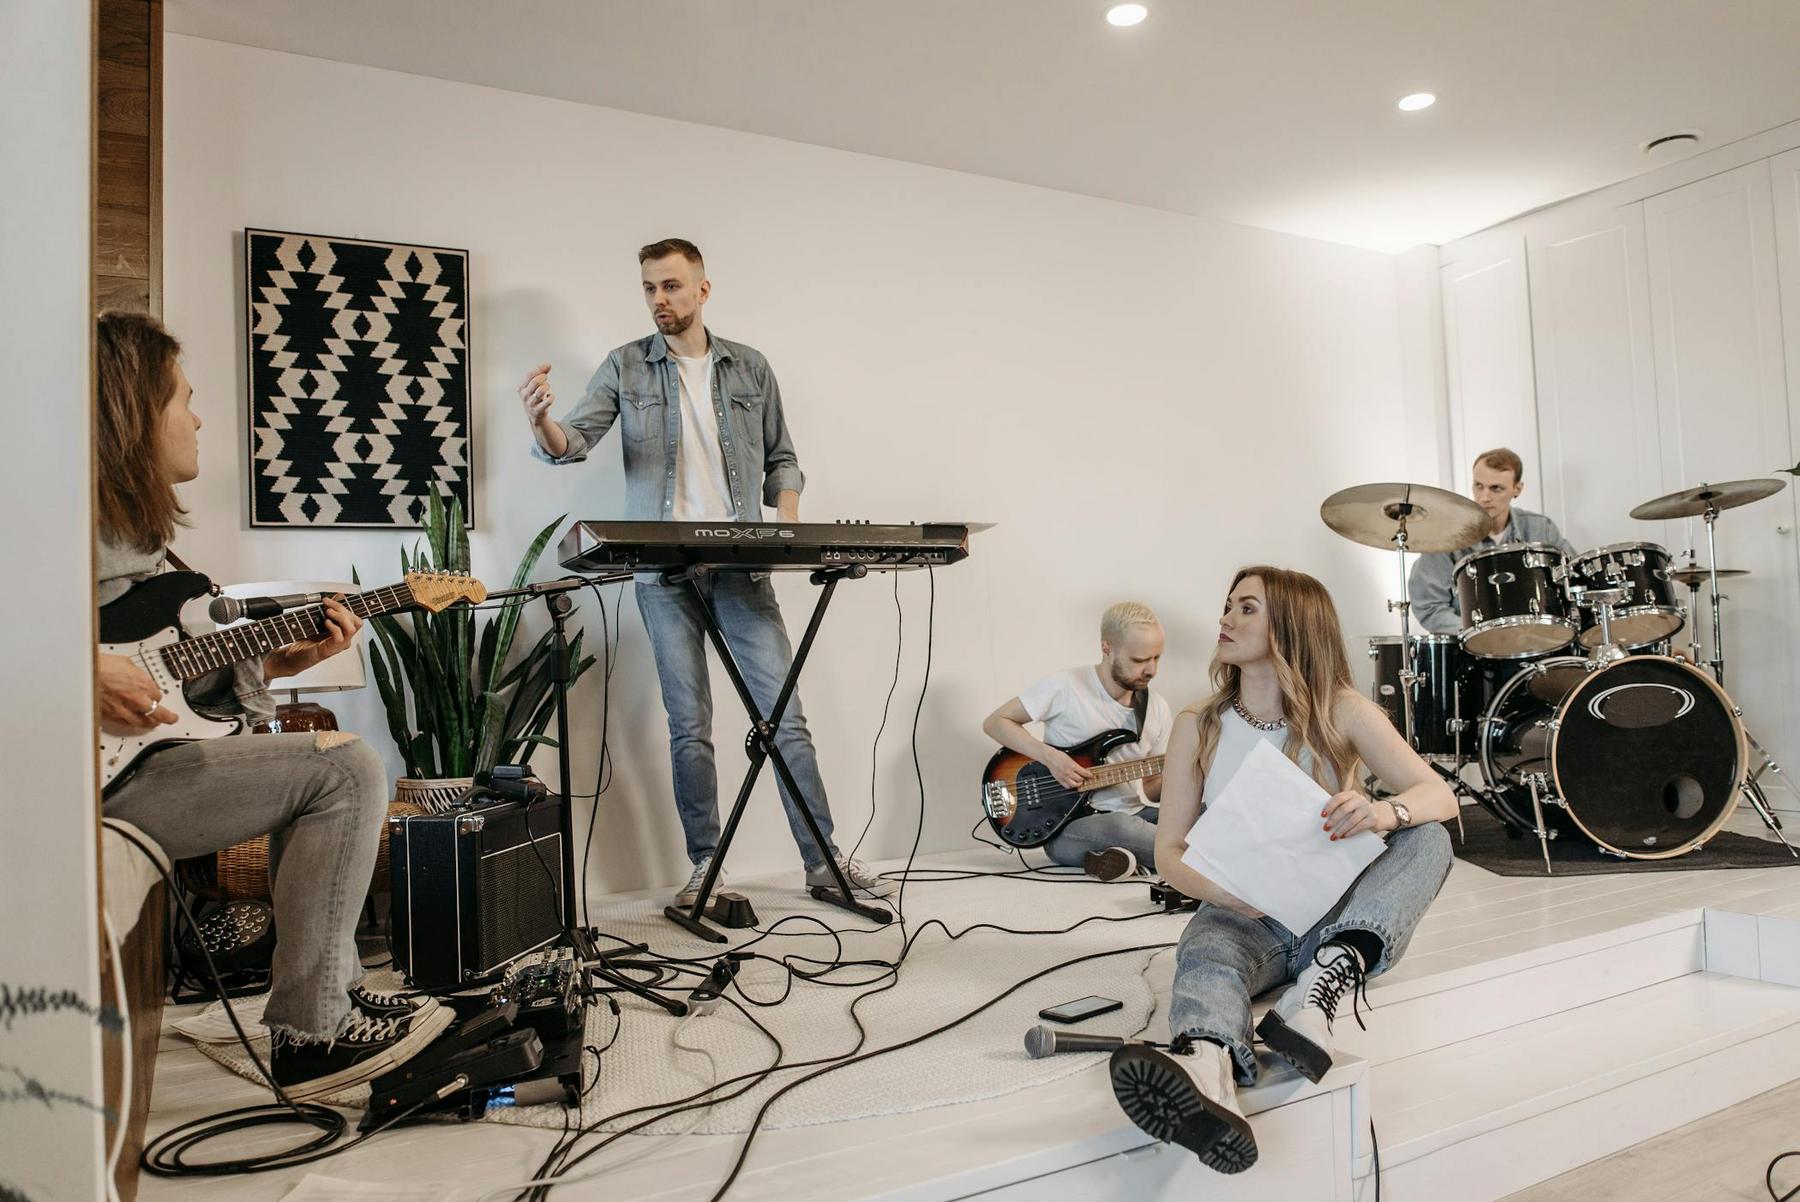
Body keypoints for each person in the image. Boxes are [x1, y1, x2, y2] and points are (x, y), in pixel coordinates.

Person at [93, 311, 448, 1101]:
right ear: (131, 410)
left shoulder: (137, 541)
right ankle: (312, 1034)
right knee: (347, 768)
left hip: (146, 754)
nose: (197, 417)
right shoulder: (54, 522)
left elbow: (170, 665)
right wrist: (83, 669)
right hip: (97, 772)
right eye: (182, 398)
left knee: (331, 763)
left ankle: (338, 993)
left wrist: (285, 658)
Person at [519, 239, 892, 907]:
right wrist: (541, 421)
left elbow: (784, 460)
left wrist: (786, 521)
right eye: (648, 289)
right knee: (688, 723)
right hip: (663, 577)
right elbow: (571, 444)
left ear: (702, 289)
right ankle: (705, 866)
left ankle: (822, 860)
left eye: (670, 286)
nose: (659, 299)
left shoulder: (749, 367)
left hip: (743, 572)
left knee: (786, 718)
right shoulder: (625, 366)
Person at [1108, 566, 1455, 1174]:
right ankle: (1205, 1070)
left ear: (1292, 625)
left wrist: (1379, 811)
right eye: (1227, 606)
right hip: (1247, 913)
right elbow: (1169, 851)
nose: (1225, 619)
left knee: (1428, 839)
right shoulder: (1200, 723)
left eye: (1246, 609)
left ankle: (1322, 988)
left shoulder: (1343, 711)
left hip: (1339, 914)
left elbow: (1440, 797)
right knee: (1208, 951)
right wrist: (1217, 891)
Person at [980, 602, 1172, 879]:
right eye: (1139, 660)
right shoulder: (1065, 687)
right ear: (1107, 648)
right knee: (1119, 829)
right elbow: (996, 722)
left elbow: (1152, 789)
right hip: (1072, 823)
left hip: (1135, 814)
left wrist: (1190, 772)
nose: (1151, 669)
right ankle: (1190, 856)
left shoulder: (1157, 708)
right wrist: (1051, 758)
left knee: (1203, 815)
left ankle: (1108, 859)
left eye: (1157, 658)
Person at [1408, 447, 1577, 635]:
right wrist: (1479, 633)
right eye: (1478, 486)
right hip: (1470, 650)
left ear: (1517, 489)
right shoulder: (1445, 535)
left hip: (1536, 642)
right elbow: (1429, 607)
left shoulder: (1541, 529)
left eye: (1496, 488)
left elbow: (1575, 580)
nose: (1484, 497)